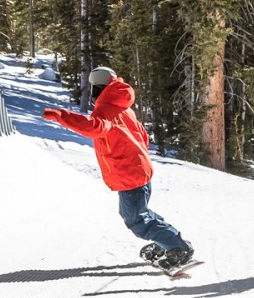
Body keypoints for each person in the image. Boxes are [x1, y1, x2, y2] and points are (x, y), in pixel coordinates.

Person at [42, 66, 195, 271]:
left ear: (99, 87)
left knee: (137, 220)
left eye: (94, 87)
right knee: (140, 214)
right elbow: (142, 135)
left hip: (128, 172)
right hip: (136, 169)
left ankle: (177, 248)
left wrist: (61, 116)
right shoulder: (124, 108)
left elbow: (94, 127)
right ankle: (170, 242)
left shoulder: (105, 110)